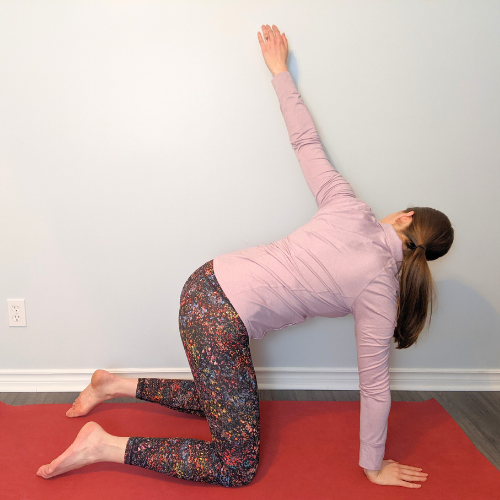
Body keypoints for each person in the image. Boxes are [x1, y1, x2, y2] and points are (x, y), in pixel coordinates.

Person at [36, 24, 453, 489]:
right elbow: (374, 388)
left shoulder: (349, 207)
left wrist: (279, 71)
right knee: (235, 466)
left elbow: (305, 143)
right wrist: (373, 466)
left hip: (205, 283)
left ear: (404, 216)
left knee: (229, 400)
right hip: (217, 320)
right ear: (424, 260)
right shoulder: (383, 293)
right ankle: (104, 444)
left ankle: (112, 385)